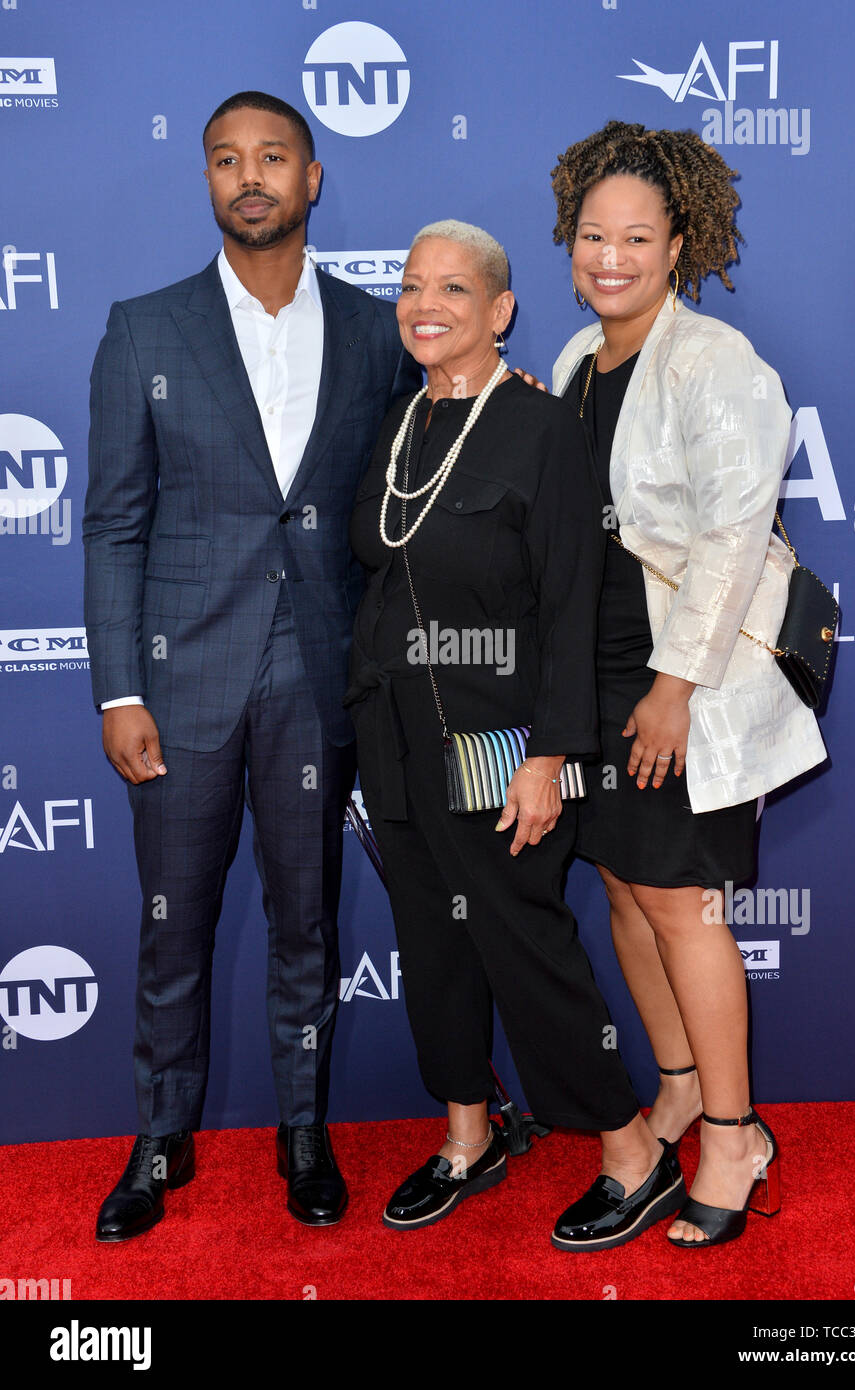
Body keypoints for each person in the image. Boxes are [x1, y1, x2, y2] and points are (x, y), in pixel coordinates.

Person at [83, 91, 420, 1241]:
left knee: (306, 927)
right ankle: (158, 1137)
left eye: (272, 156)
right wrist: (120, 686)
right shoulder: (145, 328)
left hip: (316, 683)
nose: (249, 177)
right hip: (179, 689)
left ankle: (303, 1129)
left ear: (313, 177)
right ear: (209, 181)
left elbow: (430, 460)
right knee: (170, 927)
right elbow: (115, 523)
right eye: (227, 159)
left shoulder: (378, 331)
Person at [346, 219, 686, 1250]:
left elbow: (572, 603)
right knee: (433, 946)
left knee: (522, 942)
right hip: (393, 735)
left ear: (498, 312)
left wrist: (549, 754)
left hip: (499, 739)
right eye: (410, 286)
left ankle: (629, 1150)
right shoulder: (400, 420)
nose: (423, 304)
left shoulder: (538, 429)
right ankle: (467, 1134)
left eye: (452, 288)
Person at [549, 121, 828, 1246]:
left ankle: (729, 1132)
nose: (608, 256)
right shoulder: (575, 361)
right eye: (589, 235)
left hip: (687, 679)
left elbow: (728, 535)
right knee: (622, 890)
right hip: (600, 673)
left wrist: (670, 687)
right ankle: (671, 1085)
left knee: (683, 903)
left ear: (678, 245)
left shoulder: (714, 363)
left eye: (634, 237)